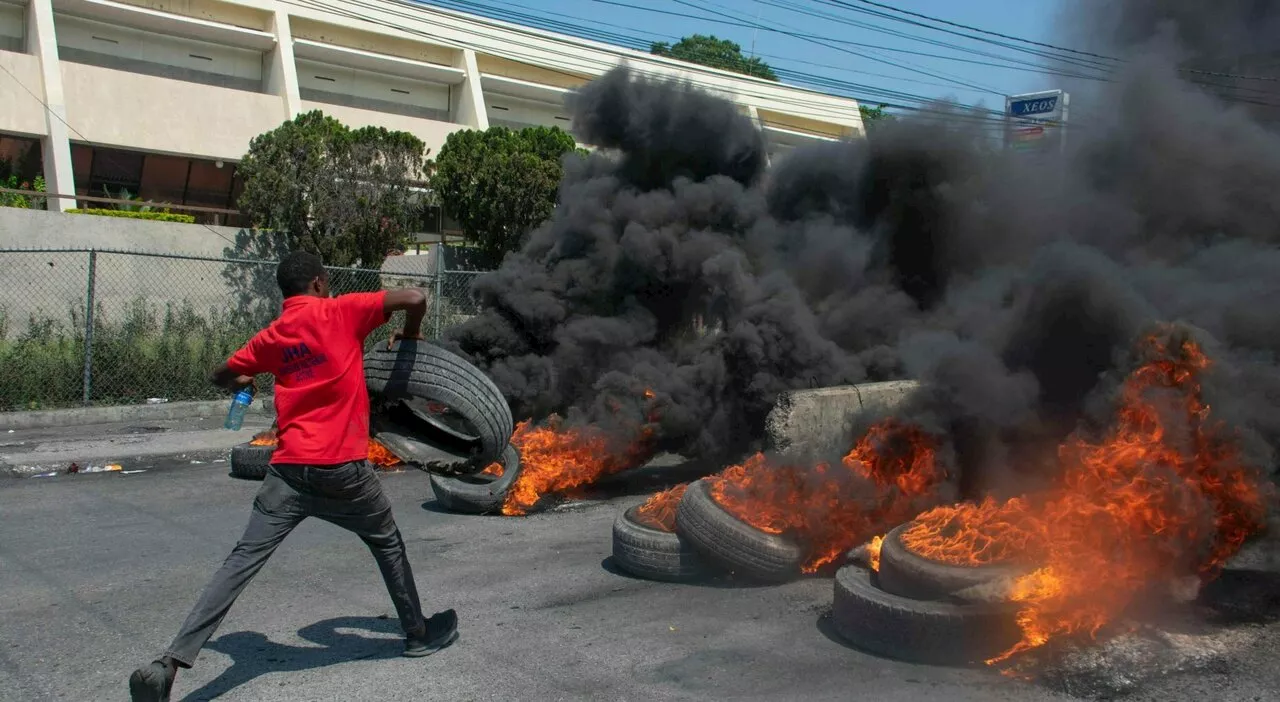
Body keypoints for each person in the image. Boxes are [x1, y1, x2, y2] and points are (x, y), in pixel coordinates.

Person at [129, 251, 457, 702]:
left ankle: (168, 664)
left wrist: (243, 385)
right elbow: (415, 295)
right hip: (344, 471)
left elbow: (221, 372)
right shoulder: (342, 311)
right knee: (386, 542)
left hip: (287, 472)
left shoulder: (273, 336)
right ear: (321, 284)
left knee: (241, 562)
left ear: (285, 292)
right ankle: (417, 633)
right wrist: (412, 335)